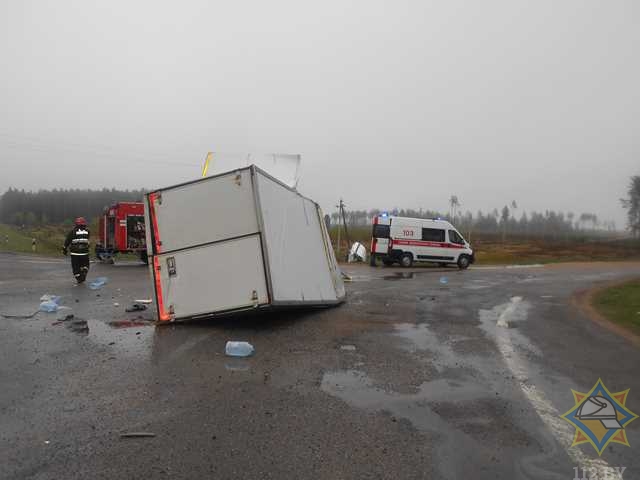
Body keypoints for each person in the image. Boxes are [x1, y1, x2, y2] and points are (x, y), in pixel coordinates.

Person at [63, 217, 90, 283]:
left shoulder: (73, 231)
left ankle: (79, 278)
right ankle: (84, 271)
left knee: (75, 267)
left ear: (76, 223)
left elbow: (67, 241)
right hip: (85, 253)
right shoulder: (88, 231)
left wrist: (64, 249)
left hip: (75, 253)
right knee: (85, 265)